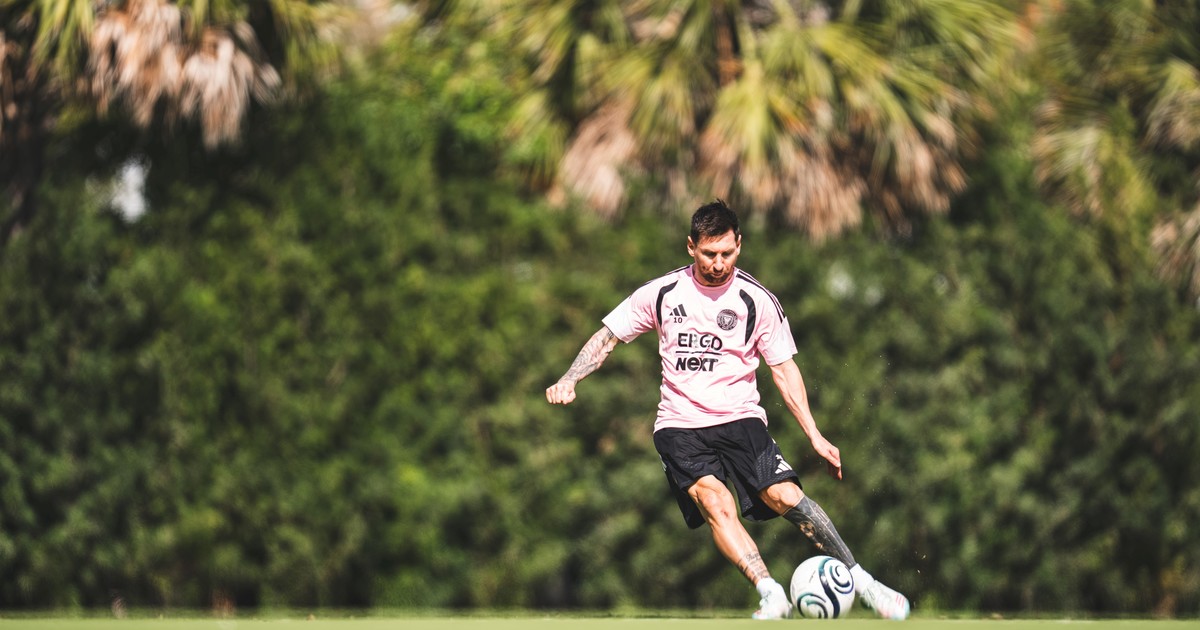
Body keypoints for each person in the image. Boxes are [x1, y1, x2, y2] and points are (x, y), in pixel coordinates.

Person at [545, 200, 910, 620]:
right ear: (691, 246)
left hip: (740, 420)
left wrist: (814, 434)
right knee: (715, 503)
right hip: (679, 425)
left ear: (739, 245)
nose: (718, 264)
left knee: (784, 495)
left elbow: (783, 370)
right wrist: (570, 378)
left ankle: (863, 582)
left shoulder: (757, 300)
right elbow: (607, 337)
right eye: (708, 254)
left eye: (727, 253)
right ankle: (771, 594)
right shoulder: (661, 293)